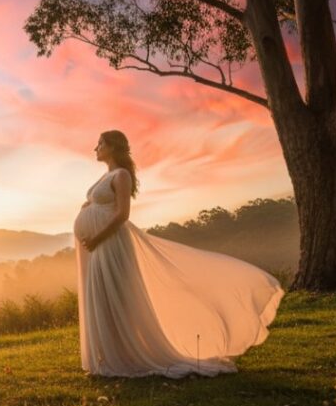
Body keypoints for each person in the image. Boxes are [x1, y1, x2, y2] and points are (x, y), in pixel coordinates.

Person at [73, 130, 284, 378]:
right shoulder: (105, 176)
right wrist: (89, 208)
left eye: (100, 143)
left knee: (118, 297)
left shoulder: (121, 175)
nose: (95, 148)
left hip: (110, 244)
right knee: (104, 298)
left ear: (113, 146)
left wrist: (97, 236)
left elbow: (122, 215)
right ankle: (109, 356)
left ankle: (126, 356)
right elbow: (104, 205)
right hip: (99, 246)